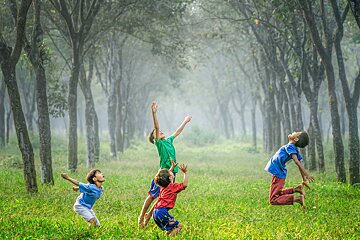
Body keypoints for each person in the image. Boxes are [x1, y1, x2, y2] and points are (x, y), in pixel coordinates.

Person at [138, 101, 191, 227]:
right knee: (152, 196)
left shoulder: (168, 140)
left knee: (163, 196)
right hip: (163, 174)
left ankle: (149, 215)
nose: (160, 131)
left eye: (160, 131)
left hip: (172, 173)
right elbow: (156, 127)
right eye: (156, 133)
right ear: (154, 137)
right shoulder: (159, 143)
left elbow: (177, 131)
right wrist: (154, 113)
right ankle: (142, 216)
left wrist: (185, 121)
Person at [264, 131, 314, 209]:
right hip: (278, 172)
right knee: (278, 193)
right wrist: (303, 179)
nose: (294, 132)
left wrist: (306, 174)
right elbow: (299, 162)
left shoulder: (290, 147)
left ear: (296, 139)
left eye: (296, 132)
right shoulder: (292, 147)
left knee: (273, 199)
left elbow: (297, 162)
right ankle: (296, 189)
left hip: (278, 173)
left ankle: (298, 199)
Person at [151, 161, 188, 236]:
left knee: (171, 229)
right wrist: (185, 173)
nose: (171, 172)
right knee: (178, 226)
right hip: (162, 212)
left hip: (155, 212)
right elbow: (184, 185)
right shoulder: (173, 187)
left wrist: (172, 168)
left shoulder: (162, 186)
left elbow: (165, 176)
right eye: (170, 173)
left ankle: (167, 236)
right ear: (170, 177)